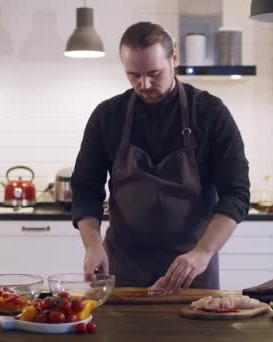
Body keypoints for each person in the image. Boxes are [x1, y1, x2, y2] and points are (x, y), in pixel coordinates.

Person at [71, 21, 250, 292]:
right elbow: (85, 189)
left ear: (174, 59)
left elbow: (236, 194)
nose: (143, 84)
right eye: (133, 75)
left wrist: (203, 253)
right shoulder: (107, 116)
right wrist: (93, 244)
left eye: (154, 73)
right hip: (123, 267)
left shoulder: (210, 113)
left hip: (191, 270)